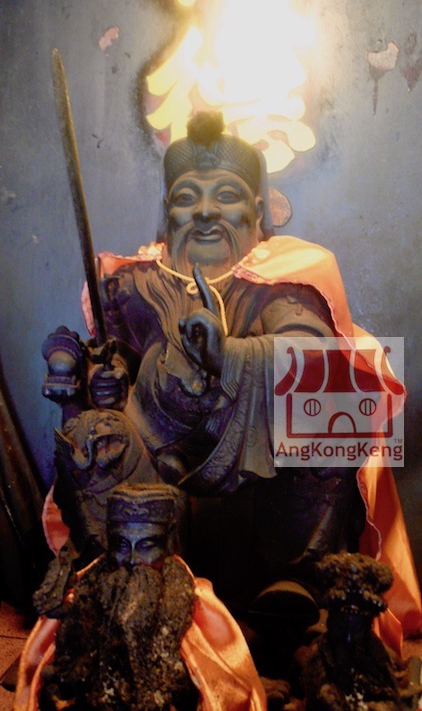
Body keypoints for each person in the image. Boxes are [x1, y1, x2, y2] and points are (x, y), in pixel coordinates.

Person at [41, 112, 420, 663]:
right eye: (186, 197)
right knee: (91, 434)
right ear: (167, 211)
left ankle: (293, 585)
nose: (205, 211)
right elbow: (111, 354)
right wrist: (95, 378)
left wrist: (231, 355)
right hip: (158, 466)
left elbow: (312, 351)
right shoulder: (133, 283)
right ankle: (137, 580)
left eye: (225, 195)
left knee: (333, 406)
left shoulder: (282, 280)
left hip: (260, 489)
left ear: (257, 212)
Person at [15, 483, 266, 710]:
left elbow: (221, 681)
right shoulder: (90, 588)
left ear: (169, 542)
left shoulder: (194, 601)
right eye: (122, 545)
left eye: (147, 546)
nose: (133, 560)